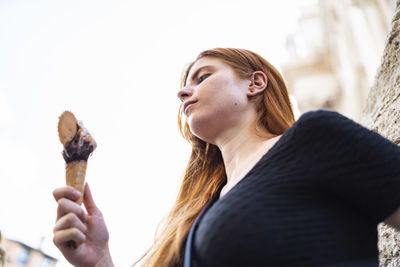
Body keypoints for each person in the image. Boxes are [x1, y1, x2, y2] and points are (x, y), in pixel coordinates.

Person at [52, 48, 400, 267]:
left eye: (202, 77)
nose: (182, 90)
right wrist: (98, 260)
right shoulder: (195, 213)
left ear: (255, 84)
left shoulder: (316, 137)